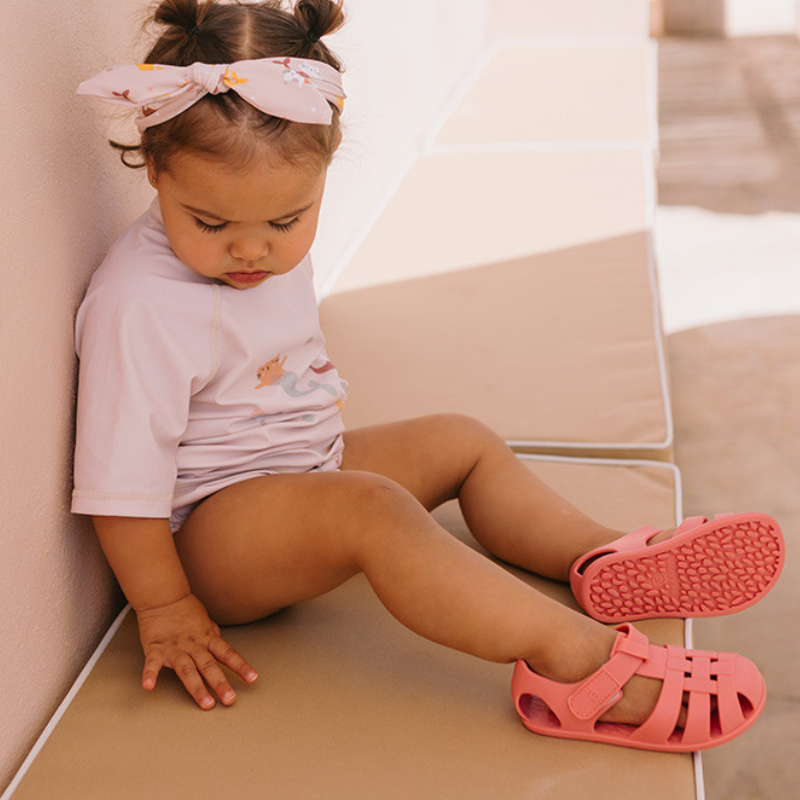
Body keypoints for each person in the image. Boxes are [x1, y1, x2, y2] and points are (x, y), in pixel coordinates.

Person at [73, 0, 784, 752]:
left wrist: (308, 433)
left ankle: (600, 556)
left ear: (325, 166)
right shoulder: (140, 305)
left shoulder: (252, 243)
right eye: (211, 224)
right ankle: (576, 661)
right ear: (155, 165)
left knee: (460, 440)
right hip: (210, 538)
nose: (251, 251)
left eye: (286, 221)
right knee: (373, 511)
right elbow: (121, 483)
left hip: (299, 471)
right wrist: (166, 607)